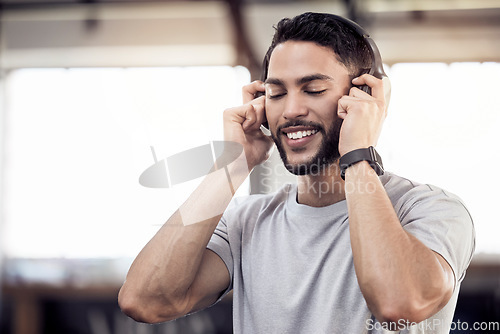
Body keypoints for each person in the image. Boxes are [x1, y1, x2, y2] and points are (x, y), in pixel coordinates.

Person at [118, 12, 475, 333]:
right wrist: (232, 163)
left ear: (363, 96)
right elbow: (145, 300)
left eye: (313, 89)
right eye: (276, 92)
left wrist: (358, 154)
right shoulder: (246, 222)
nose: (290, 110)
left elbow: (399, 303)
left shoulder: (432, 210)